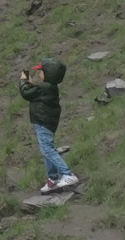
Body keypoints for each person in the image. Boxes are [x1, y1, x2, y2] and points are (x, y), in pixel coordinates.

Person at [20, 59, 80, 193]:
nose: (39, 73)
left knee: (47, 150)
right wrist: (31, 84)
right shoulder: (49, 87)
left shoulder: (45, 87)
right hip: (47, 123)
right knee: (47, 150)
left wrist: (23, 81)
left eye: (41, 71)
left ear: (48, 74)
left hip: (43, 123)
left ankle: (68, 175)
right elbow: (36, 92)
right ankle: (52, 179)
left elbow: (26, 94)